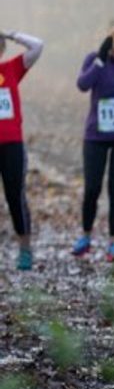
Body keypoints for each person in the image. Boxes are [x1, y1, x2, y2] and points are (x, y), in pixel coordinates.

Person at [74, 23, 114, 260]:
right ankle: (86, 235)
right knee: (92, 188)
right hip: (95, 136)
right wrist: (100, 60)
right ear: (110, 39)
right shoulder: (94, 58)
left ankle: (113, 241)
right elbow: (83, 84)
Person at [0, 28, 44, 270]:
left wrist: (10, 34)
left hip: (11, 145)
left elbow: (38, 45)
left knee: (14, 196)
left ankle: (25, 249)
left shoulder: (11, 69)